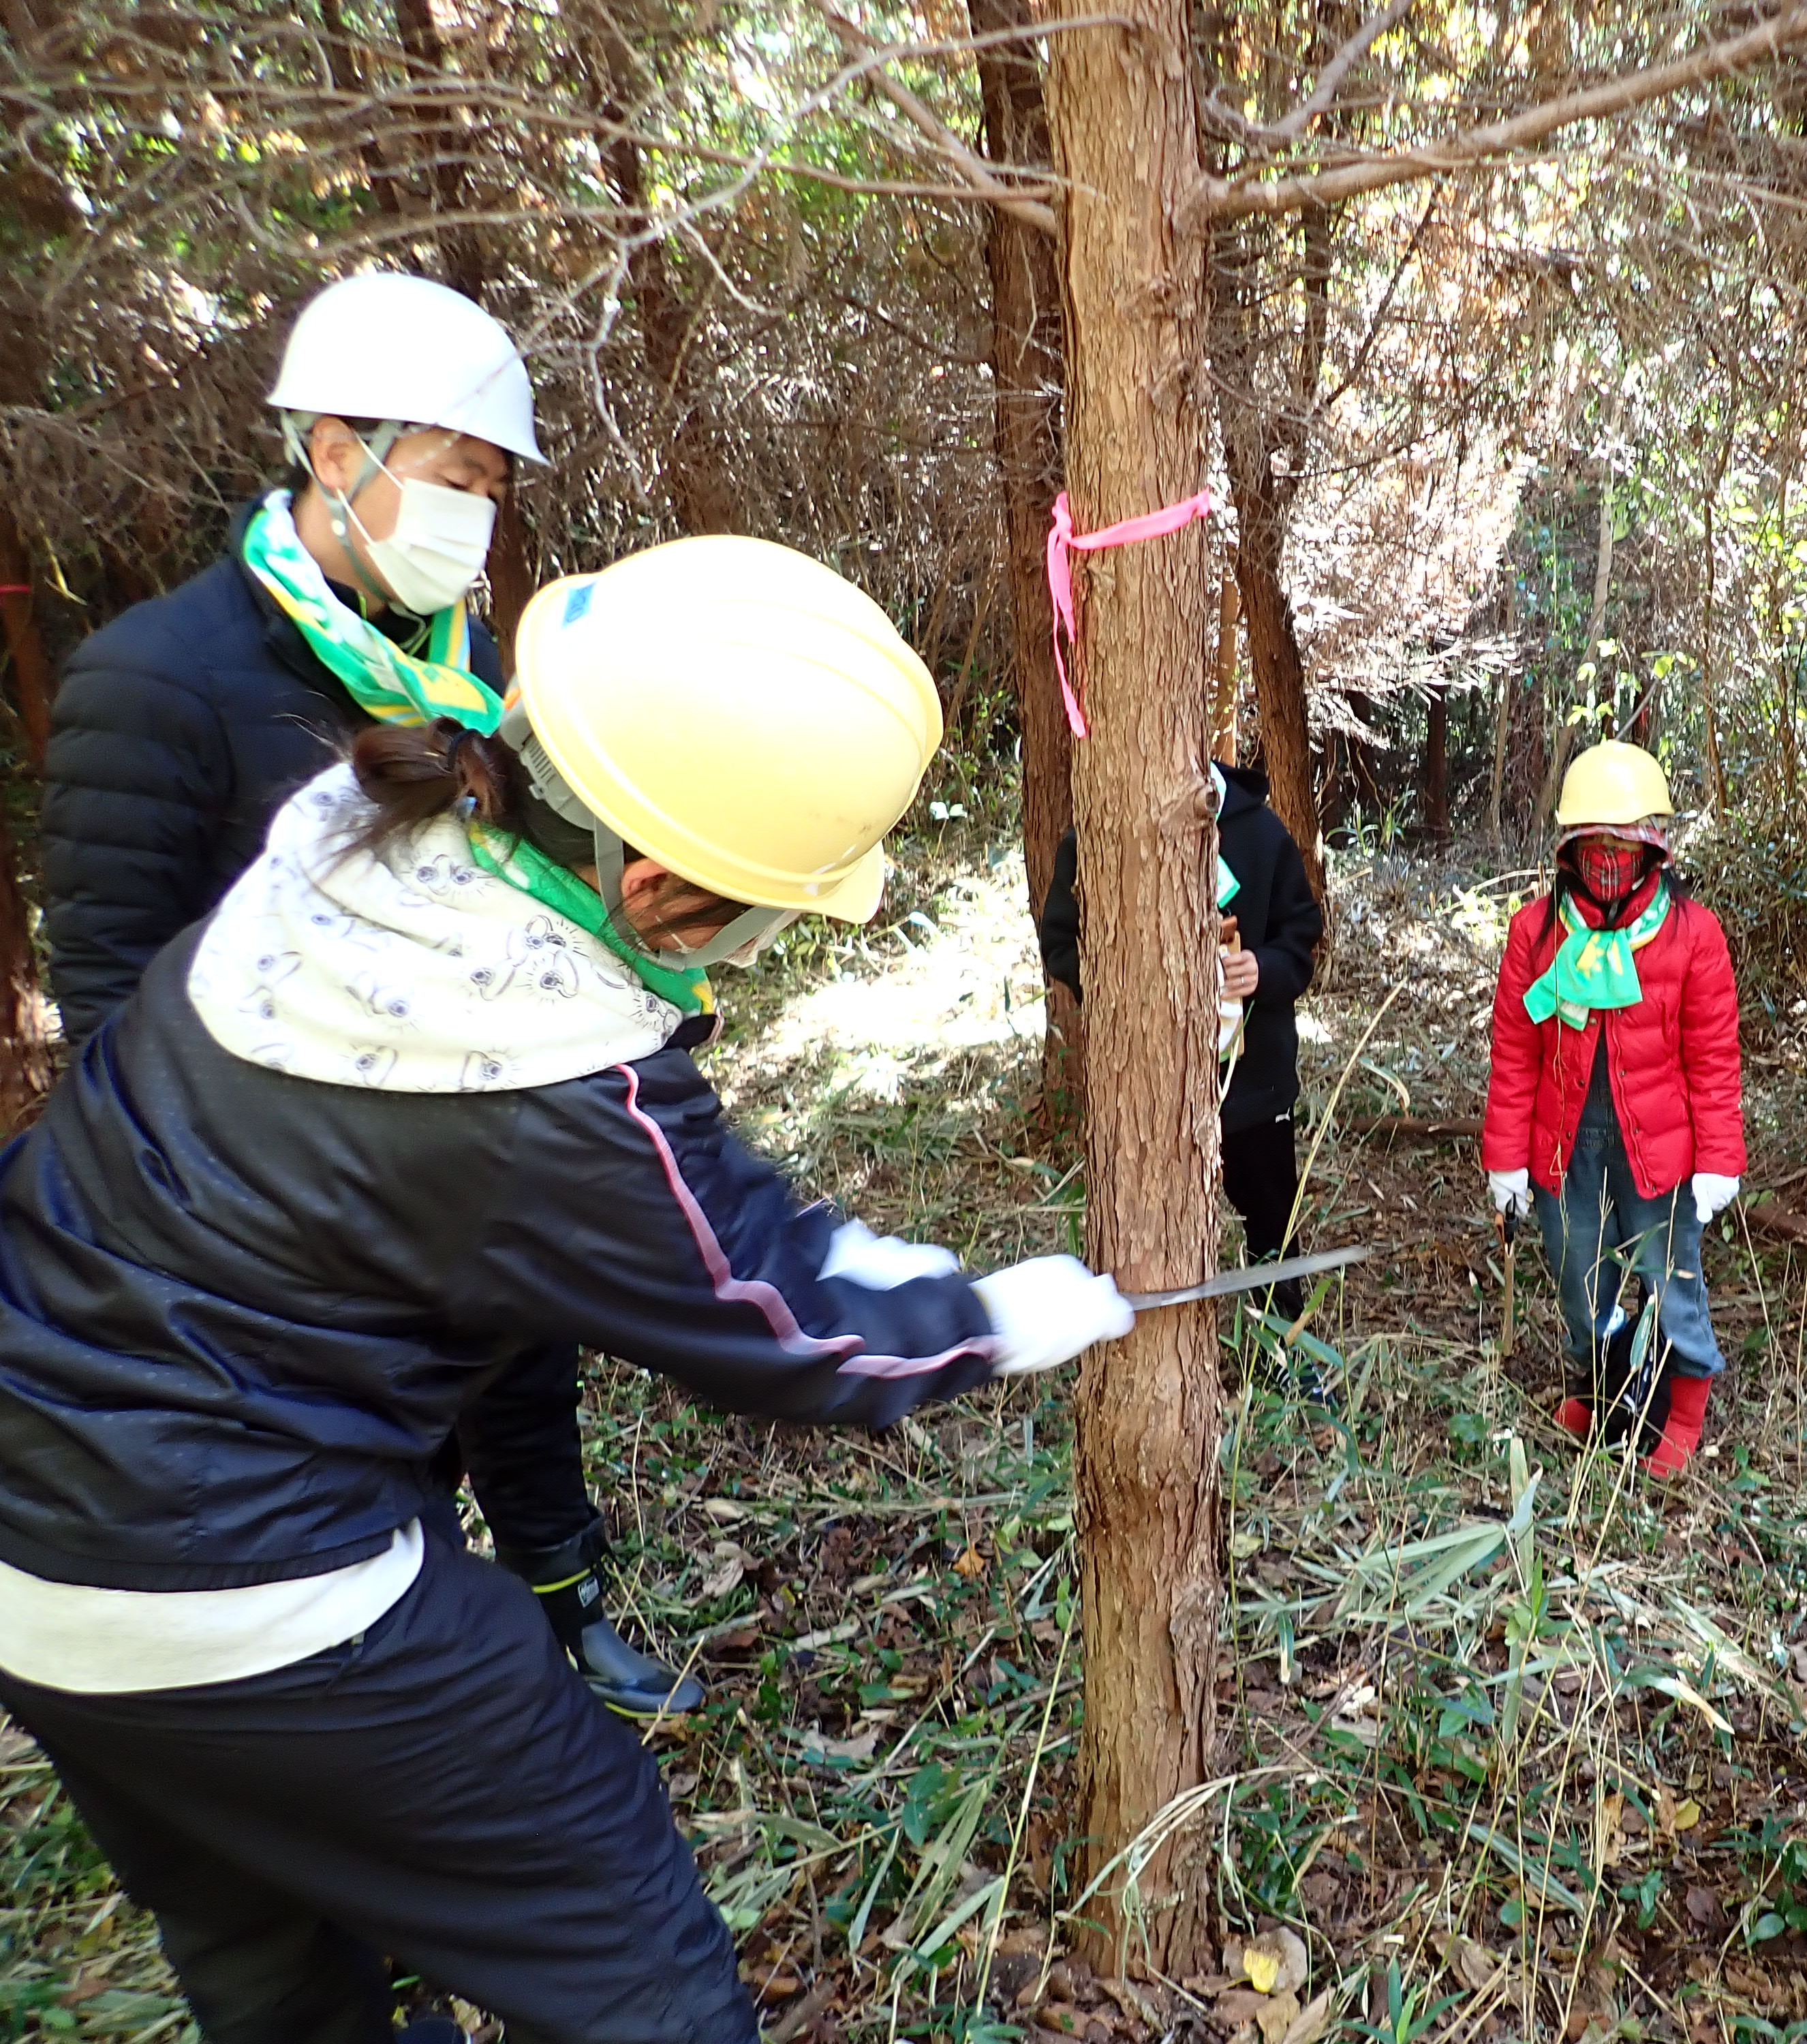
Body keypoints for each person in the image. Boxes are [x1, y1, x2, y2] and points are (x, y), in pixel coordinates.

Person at [0, 533, 1134, 2044]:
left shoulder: (354, 845)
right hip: (253, 1590)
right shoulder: (546, 1069)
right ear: (656, 878)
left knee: (267, 1963)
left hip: (38, 1565)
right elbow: (775, 1325)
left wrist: (886, 1269)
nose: (762, 939)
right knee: (637, 1973)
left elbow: (701, 1226)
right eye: (760, 907)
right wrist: (988, 1319)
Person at [37, 271, 695, 1716]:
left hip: (474, 1144)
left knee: (525, 1388)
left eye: (491, 490)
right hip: (301, 1202)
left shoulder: (459, 682)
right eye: (454, 478)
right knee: (368, 1451)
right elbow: (107, 1000)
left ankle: (565, 1613)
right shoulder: (156, 683)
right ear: (335, 451)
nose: (476, 517)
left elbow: (540, 898)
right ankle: (407, 1677)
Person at [1479, 741, 1745, 1475]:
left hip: (1659, 1150)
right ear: (1569, 850)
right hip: (1564, 1145)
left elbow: (1714, 1058)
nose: (1607, 860)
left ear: (1650, 849)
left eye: (1621, 845)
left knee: (1668, 1275)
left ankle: (1684, 1407)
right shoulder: (1536, 932)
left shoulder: (1692, 934)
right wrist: (1504, 1159)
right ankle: (1592, 1386)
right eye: (1592, 845)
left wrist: (1719, 1160)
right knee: (1576, 1271)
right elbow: (1515, 1052)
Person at [1036, 758, 1323, 1320]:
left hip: (1253, 1085)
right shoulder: (1097, 837)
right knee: (1153, 1238)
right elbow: (1061, 945)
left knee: (1272, 1227)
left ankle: (1285, 1354)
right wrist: (1125, 987)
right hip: (1148, 1086)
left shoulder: (1261, 833)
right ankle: (1164, 1342)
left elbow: (1301, 939)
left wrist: (1262, 969)